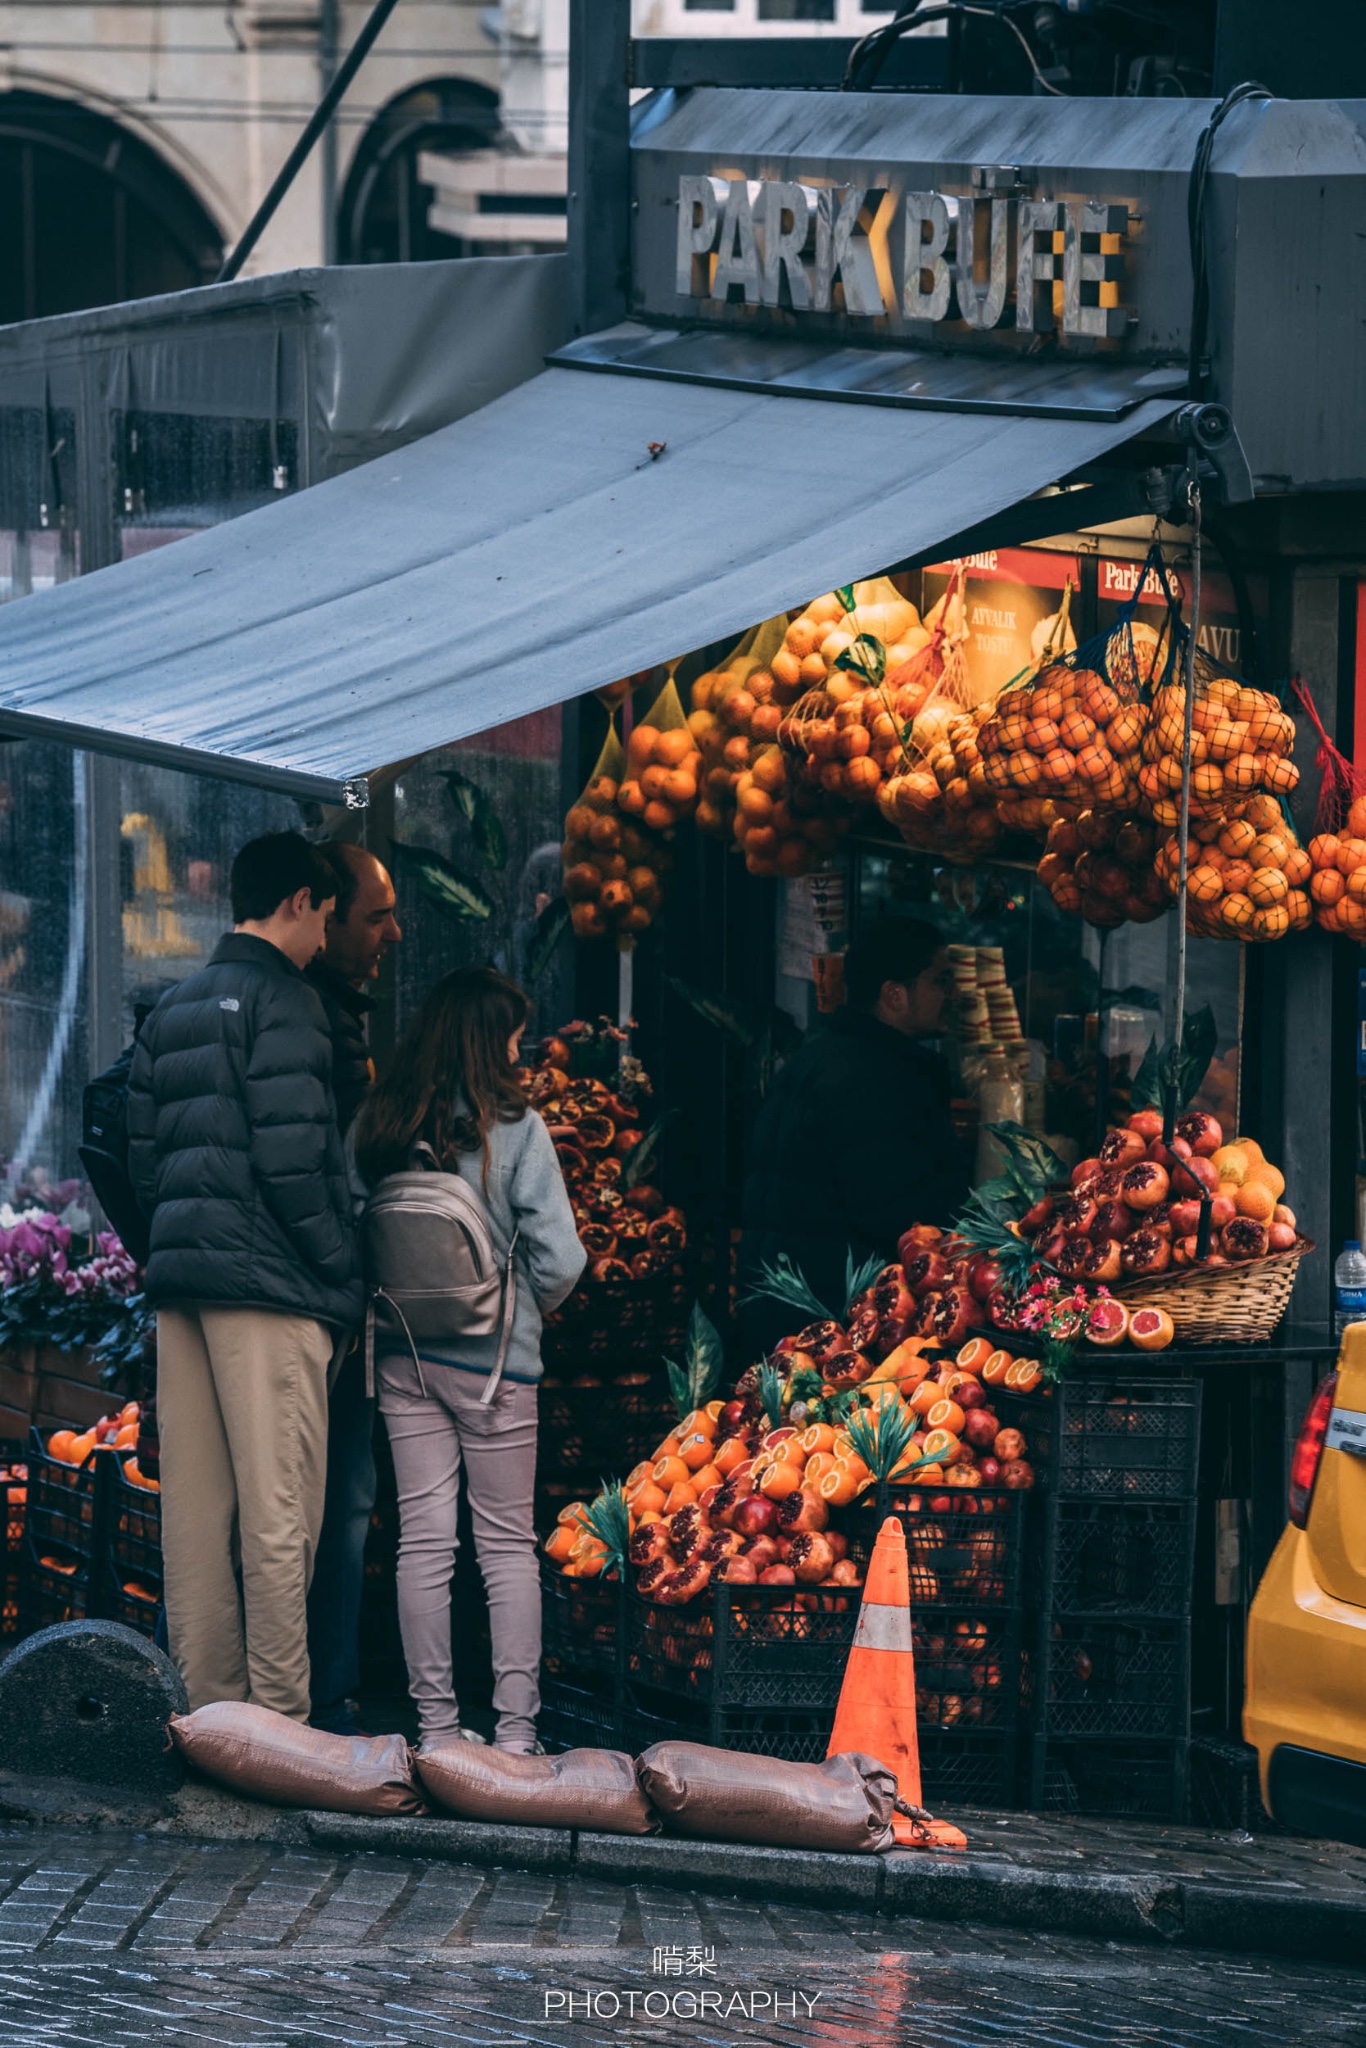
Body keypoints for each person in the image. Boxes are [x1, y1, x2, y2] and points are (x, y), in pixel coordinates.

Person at [127, 830, 362, 1719]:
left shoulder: (175, 1004)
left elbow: (144, 1159)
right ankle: (278, 1725)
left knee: (192, 1521)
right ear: (299, 900)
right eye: (326, 918)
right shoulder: (289, 1003)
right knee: (278, 1514)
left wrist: (181, 1238)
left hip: (182, 1287)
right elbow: (297, 1163)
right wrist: (341, 1273)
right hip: (268, 1291)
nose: (324, 940)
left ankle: (209, 1716)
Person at [353, 967, 585, 1753]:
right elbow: (561, 1258)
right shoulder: (515, 1126)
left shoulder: (381, 1122)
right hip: (495, 1367)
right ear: (494, 1040)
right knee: (505, 1545)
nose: (521, 1053)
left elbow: (359, 1230)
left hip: (404, 1355)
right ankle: (516, 1738)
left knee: (422, 1541)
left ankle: (436, 1732)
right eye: (516, 1038)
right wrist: (525, 1313)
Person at [740, 916, 969, 1338]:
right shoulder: (881, 1078)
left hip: (780, 1292)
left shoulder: (817, 1056)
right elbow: (898, 1210)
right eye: (941, 981)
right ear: (894, 995)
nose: (953, 995)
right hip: (831, 1307)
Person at [304, 841, 402, 1736]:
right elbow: (319, 1180)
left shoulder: (334, 1017)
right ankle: (322, 1699)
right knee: (338, 1495)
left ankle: (318, 1689)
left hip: (316, 1298)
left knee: (337, 1493)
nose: (394, 933)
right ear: (319, 916)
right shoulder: (312, 1026)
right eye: (377, 916)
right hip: (323, 1303)